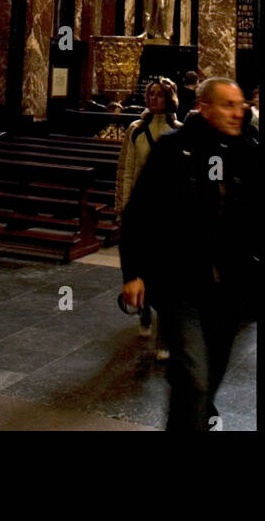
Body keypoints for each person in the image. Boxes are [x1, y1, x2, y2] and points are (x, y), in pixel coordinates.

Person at [119, 77, 257, 432]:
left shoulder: (247, 152)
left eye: (240, 104)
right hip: (182, 286)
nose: (237, 112)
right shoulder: (173, 149)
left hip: (231, 288)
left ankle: (190, 417)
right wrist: (133, 273)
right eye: (228, 104)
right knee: (193, 375)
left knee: (208, 378)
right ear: (204, 108)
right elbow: (139, 213)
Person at [115, 78, 181, 355]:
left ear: (170, 98)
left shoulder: (178, 131)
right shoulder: (136, 130)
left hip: (167, 212)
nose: (153, 99)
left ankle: (164, 332)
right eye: (150, 94)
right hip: (140, 212)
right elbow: (127, 170)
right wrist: (124, 206)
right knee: (140, 265)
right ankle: (143, 312)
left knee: (165, 271)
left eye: (159, 95)